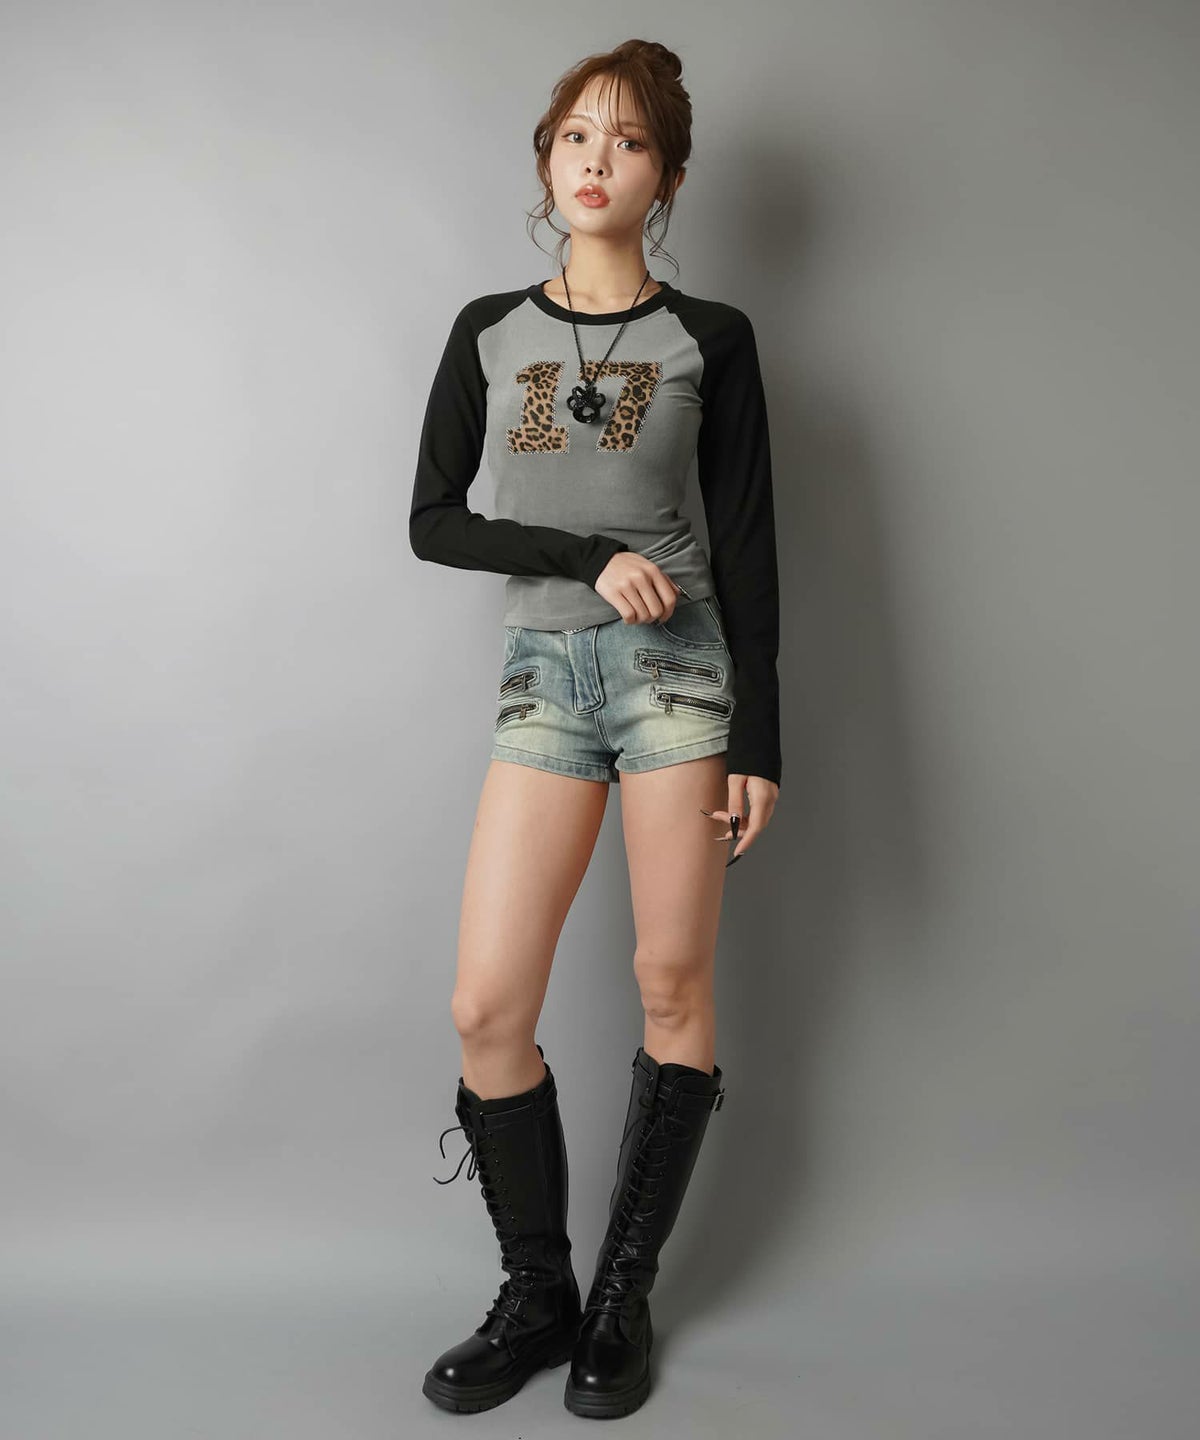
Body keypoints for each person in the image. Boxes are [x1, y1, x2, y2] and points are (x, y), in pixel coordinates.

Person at [409, 39, 782, 1419]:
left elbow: (748, 547)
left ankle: (621, 1298)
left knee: (671, 981)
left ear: (665, 178)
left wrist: (763, 742)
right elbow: (433, 518)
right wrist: (581, 554)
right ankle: (539, 1292)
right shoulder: (487, 330)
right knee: (486, 1006)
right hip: (546, 680)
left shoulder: (713, 338)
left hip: (677, 674)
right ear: (546, 156)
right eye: (576, 135)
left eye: (627, 143)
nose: (596, 161)